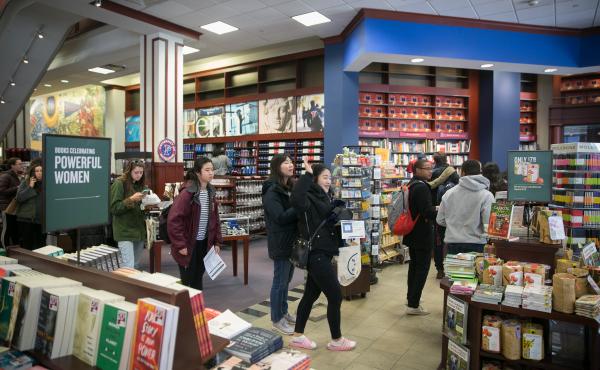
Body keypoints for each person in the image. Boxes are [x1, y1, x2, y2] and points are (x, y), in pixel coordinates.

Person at [289, 159, 356, 352]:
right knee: (335, 296)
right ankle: (336, 340)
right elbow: (295, 199)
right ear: (315, 179)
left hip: (324, 252)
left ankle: (297, 336)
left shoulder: (327, 197)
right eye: (325, 177)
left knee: (310, 294)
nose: (329, 181)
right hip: (316, 254)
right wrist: (307, 175)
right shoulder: (308, 197)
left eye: (330, 177)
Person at [168, 157, 223, 290]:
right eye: (207, 170)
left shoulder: (210, 192)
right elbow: (174, 219)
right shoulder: (188, 192)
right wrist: (180, 244)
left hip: (203, 243)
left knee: (198, 279)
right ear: (198, 172)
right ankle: (186, 309)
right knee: (187, 282)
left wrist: (216, 241)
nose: (211, 173)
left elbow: (215, 219)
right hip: (188, 244)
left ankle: (196, 309)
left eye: (212, 170)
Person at [262, 154, 298, 335]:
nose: (291, 165)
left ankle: (283, 312)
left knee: (287, 280)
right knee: (280, 281)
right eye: (286, 162)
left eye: (291, 162)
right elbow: (280, 217)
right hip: (280, 242)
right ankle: (277, 318)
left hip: (291, 241)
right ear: (277, 167)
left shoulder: (289, 187)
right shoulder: (271, 192)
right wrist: (297, 207)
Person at [437, 160, 495, 255]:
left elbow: (440, 220)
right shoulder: (487, 195)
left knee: (453, 269)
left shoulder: (449, 193)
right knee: (475, 270)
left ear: (462, 172)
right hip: (477, 243)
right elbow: (488, 223)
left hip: (452, 243)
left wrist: (454, 226)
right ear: (480, 172)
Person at [403, 159, 437, 315]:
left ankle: (411, 297)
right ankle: (414, 304)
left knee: (414, 267)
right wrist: (439, 210)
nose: (430, 171)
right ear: (417, 170)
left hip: (411, 231)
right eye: (427, 168)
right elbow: (427, 212)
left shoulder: (411, 184)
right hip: (422, 233)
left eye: (431, 168)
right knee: (422, 269)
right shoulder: (422, 188)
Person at [427, 153, 460, 279]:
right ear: (446, 159)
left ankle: (439, 269)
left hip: (436, 210)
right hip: (452, 210)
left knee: (438, 240)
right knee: (453, 238)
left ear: (434, 160)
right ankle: (453, 267)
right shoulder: (452, 172)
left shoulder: (431, 173)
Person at [110, 161, 147, 268]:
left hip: (138, 231)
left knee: (135, 265)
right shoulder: (119, 183)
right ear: (129, 171)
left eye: (141, 172)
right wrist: (131, 199)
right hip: (124, 232)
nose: (139, 175)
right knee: (128, 266)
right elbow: (114, 208)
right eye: (136, 172)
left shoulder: (140, 185)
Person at [15, 163, 44, 250]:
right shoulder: (26, 183)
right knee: (27, 245)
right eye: (37, 171)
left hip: (41, 220)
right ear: (33, 173)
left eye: (41, 171)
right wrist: (30, 187)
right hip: (26, 220)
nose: (39, 173)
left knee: (41, 245)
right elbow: (19, 198)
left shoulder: (48, 184)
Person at [0, 158, 23, 246]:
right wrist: (17, 188)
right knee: (6, 230)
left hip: (14, 207)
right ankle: (4, 249)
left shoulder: (16, 176)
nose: (21, 165)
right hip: (6, 208)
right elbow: (2, 191)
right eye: (19, 164)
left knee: (14, 229)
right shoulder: (6, 176)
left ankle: (14, 249)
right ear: (12, 165)